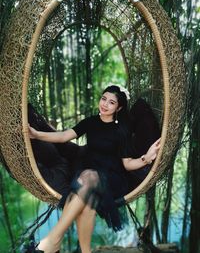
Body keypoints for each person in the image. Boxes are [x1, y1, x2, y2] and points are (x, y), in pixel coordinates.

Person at [28, 85, 160, 253]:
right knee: (87, 200)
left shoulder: (122, 130)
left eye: (111, 102)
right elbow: (63, 136)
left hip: (113, 177)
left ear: (118, 108)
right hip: (88, 170)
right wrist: (37, 134)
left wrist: (146, 159)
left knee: (88, 179)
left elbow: (127, 163)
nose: (105, 104)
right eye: (103, 99)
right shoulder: (90, 122)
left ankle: (53, 241)